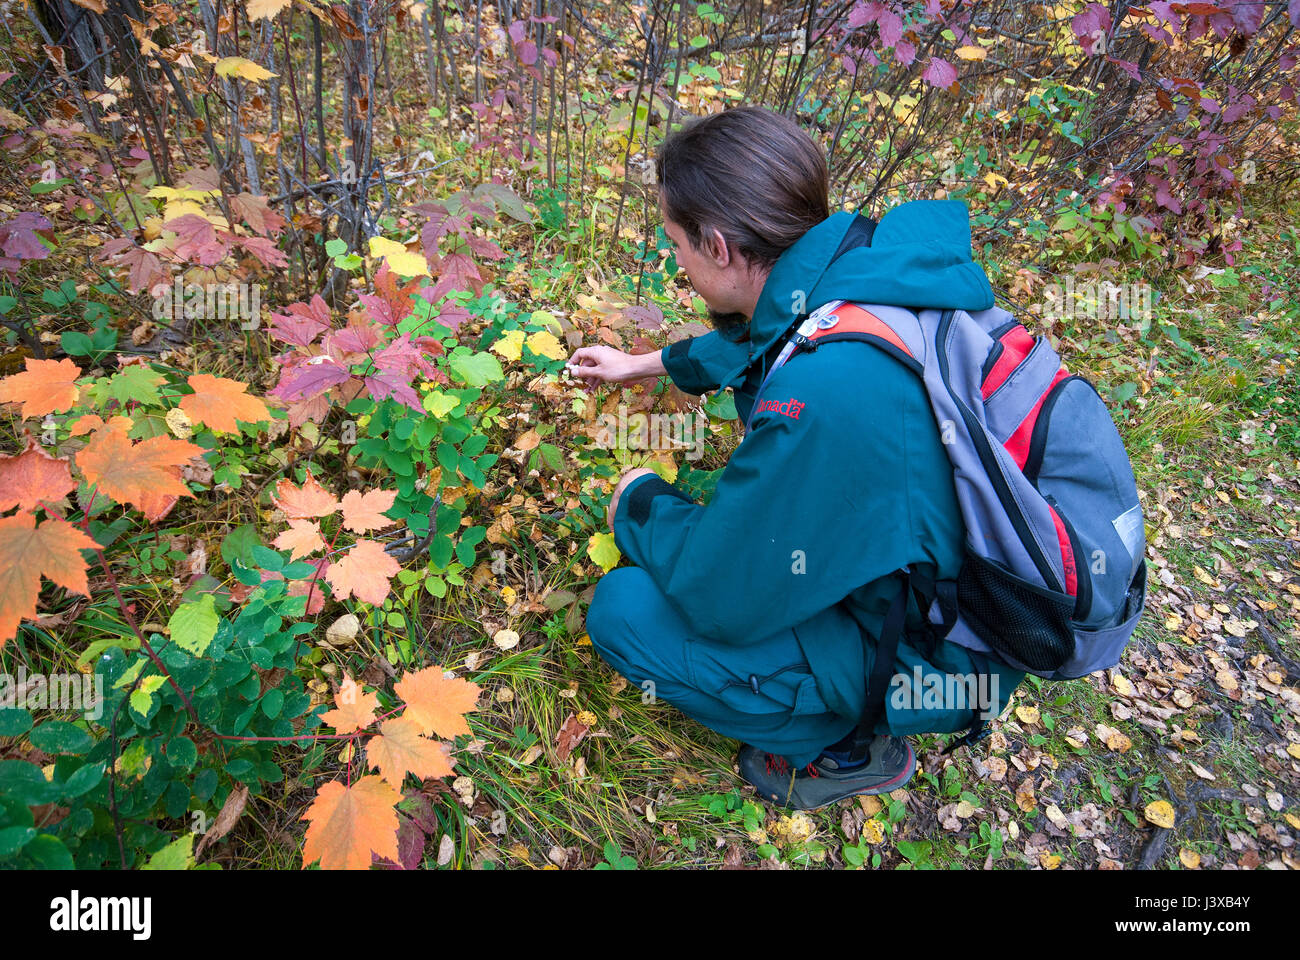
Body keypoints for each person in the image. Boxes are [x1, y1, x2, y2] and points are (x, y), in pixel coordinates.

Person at [566, 106, 1025, 810]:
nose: (676, 263)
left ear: (718, 246)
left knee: (626, 609)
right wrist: (640, 365)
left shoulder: (827, 394)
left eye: (676, 245)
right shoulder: (865, 274)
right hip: (965, 602)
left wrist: (638, 503)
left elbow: (721, 593)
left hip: (944, 663)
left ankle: (850, 745)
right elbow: (764, 341)